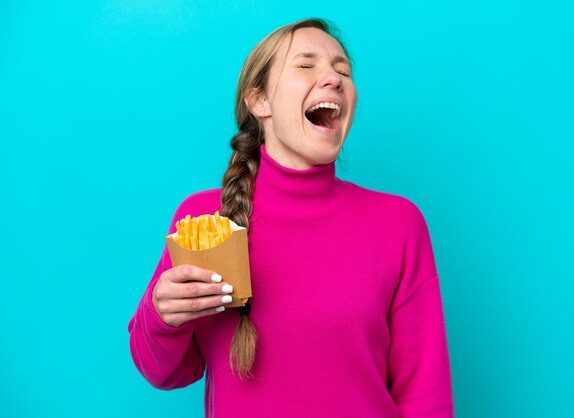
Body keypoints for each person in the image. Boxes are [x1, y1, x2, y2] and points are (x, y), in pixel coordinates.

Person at [129, 18, 454, 417]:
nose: (333, 78)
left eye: (343, 70)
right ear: (259, 101)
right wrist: (162, 317)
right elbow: (162, 371)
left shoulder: (399, 223)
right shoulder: (203, 220)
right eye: (306, 64)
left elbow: (425, 394)